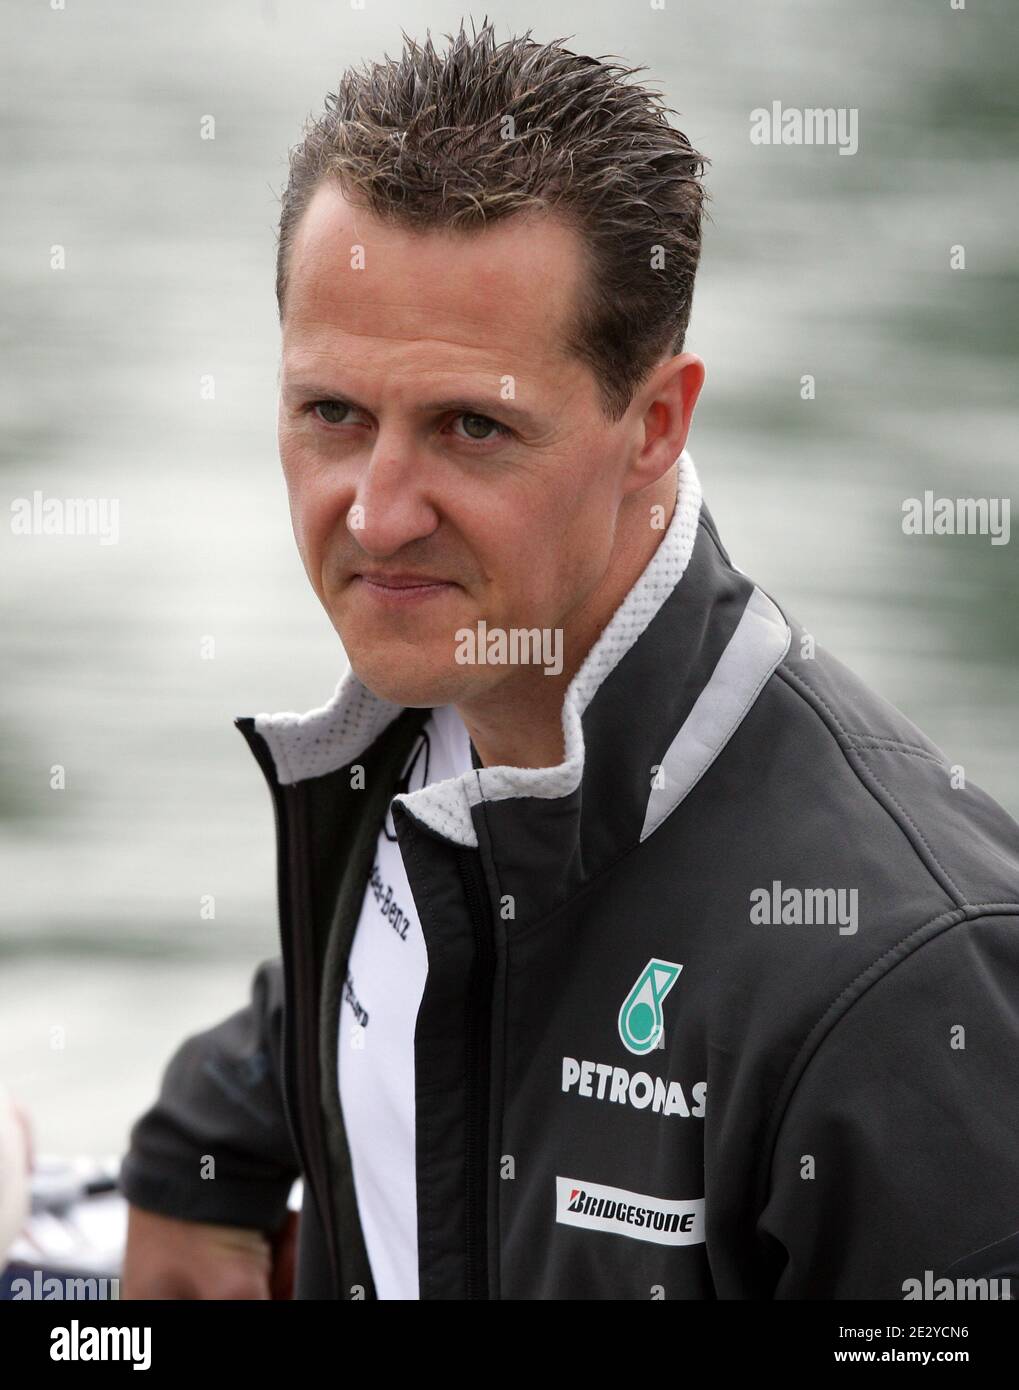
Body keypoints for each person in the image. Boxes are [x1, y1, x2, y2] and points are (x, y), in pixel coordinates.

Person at [118, 20, 1019, 1300]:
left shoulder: (913, 983)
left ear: (652, 424)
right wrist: (196, 1153)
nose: (375, 512)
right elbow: (424, 963)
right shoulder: (419, 733)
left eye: (469, 427)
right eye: (332, 412)